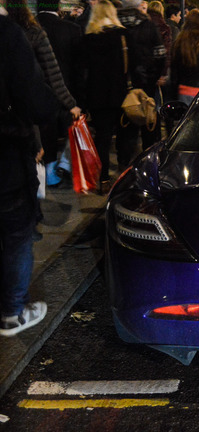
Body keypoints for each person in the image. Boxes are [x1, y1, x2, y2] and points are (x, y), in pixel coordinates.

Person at [0, 1, 57, 336]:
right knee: (17, 234)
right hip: (5, 155)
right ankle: (11, 312)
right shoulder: (8, 34)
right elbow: (37, 101)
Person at [6, 0, 82, 187]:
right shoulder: (33, 33)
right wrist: (71, 103)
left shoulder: (9, 33)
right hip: (26, 109)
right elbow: (53, 75)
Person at [36, 0, 84, 186]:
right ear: (57, 7)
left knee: (44, 131)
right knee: (69, 130)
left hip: (39, 91)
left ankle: (49, 170)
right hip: (67, 89)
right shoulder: (71, 29)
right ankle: (65, 164)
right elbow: (79, 67)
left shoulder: (29, 28)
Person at [83, 0, 128, 193]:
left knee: (102, 137)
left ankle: (102, 180)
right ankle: (125, 172)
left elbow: (83, 72)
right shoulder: (122, 36)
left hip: (96, 96)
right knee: (125, 134)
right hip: (120, 94)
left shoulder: (88, 39)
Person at [116, 0, 166, 162]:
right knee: (148, 122)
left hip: (123, 84)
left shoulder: (115, 26)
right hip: (146, 83)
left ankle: (124, 162)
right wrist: (154, 76)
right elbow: (160, 55)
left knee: (125, 124)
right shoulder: (149, 26)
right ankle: (148, 160)